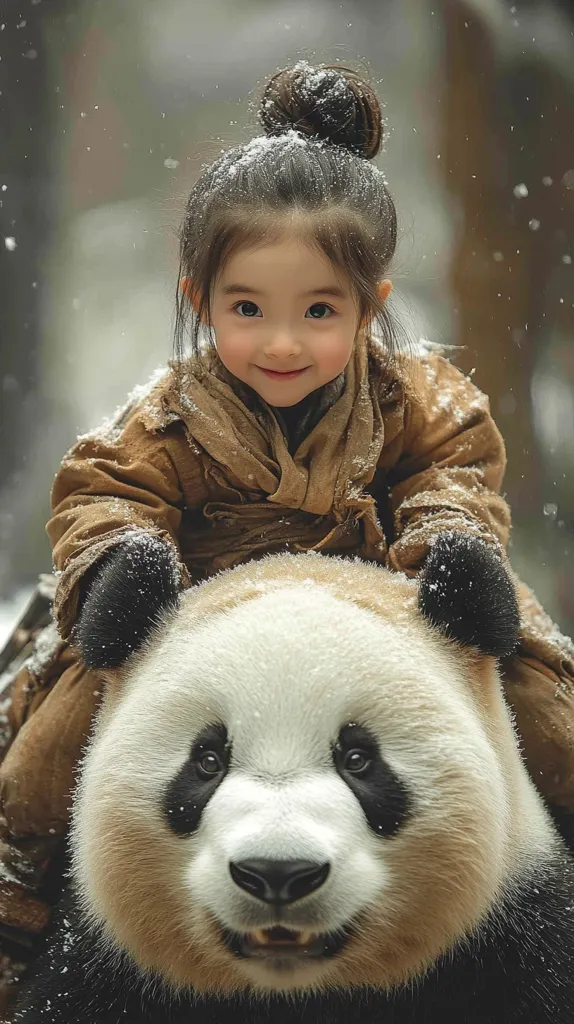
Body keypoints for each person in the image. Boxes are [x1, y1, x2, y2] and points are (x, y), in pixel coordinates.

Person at [0, 61, 573, 1013]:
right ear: (201, 298)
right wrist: (118, 564)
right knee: (48, 742)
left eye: (319, 312)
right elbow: (101, 491)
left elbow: (456, 477)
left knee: (546, 706)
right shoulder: (167, 414)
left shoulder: (421, 396)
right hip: (182, 606)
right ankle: (17, 903)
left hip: (400, 598)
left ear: (370, 306)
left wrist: (450, 551)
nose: (281, 342)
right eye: (247, 310)